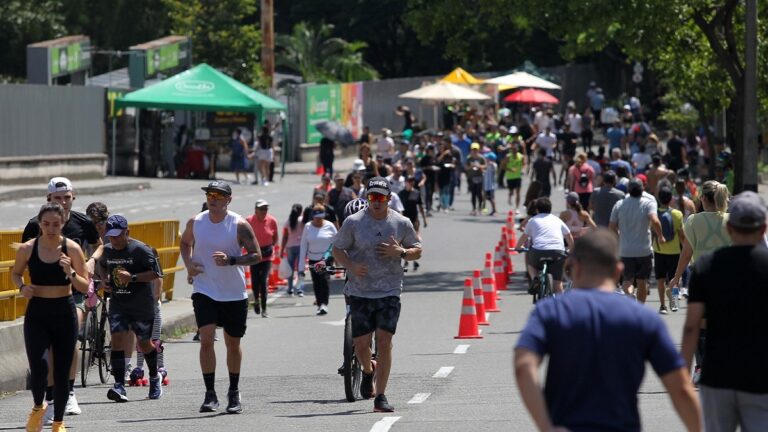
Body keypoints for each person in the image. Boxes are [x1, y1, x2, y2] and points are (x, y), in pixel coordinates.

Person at [515, 229, 702, 432]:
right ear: (618, 271)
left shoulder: (550, 311)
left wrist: (546, 426)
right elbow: (681, 388)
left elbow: (524, 366)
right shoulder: (643, 318)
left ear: (574, 268)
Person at [332, 177, 423, 413]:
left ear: (389, 199)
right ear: (366, 198)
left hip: (389, 290)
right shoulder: (353, 222)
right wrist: (350, 266)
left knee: (384, 342)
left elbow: (417, 251)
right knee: (361, 344)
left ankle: (380, 396)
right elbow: (338, 249)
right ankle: (367, 371)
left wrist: (401, 251)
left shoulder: (401, 223)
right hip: (360, 290)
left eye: (381, 198)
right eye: (372, 197)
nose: (376, 202)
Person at [681, 191, 768, 431]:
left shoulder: (706, 266)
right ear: (763, 229)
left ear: (730, 228)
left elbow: (691, 326)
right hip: (760, 376)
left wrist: (682, 376)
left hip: (717, 374)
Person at [21, 177, 101, 421]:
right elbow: (23, 256)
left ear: (72, 197)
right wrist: (23, 284)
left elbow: (100, 245)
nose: (63, 202)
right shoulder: (35, 225)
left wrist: (91, 261)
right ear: (49, 199)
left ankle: (70, 389)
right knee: (48, 350)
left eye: (67, 197)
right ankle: (52, 395)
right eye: (58, 198)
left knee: (70, 336)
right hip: (44, 295)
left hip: (74, 290)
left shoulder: (82, 222)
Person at [180, 180, 262, 414]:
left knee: (232, 344)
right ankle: (210, 394)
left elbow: (256, 255)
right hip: (205, 289)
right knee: (206, 339)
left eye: (218, 194)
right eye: (209, 194)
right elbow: (185, 243)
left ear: (228, 199)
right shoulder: (196, 222)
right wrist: (189, 266)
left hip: (234, 293)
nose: (212, 198)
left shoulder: (239, 224)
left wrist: (232, 260)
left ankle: (233, 392)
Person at [12, 203, 89, 432]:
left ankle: (58, 422)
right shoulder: (28, 248)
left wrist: (71, 272)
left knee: (61, 370)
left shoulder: (72, 248)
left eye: (56, 224)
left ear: (63, 223)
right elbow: (15, 273)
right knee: (39, 367)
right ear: (39, 223)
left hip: (64, 311)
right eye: (46, 224)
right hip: (37, 312)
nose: (51, 228)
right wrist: (21, 287)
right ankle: (38, 407)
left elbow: (84, 286)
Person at [95, 215, 163, 402]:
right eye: (111, 236)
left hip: (141, 304)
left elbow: (156, 273)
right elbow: (100, 264)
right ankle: (119, 386)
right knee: (117, 340)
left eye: (117, 235)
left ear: (127, 232)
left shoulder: (141, 250)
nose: (114, 240)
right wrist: (104, 280)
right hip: (119, 302)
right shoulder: (107, 250)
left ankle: (155, 377)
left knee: (144, 343)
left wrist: (132, 277)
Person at [669, 180, 730, 382]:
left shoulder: (693, 221)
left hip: (702, 279)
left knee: (700, 326)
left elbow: (686, 254)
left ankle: (701, 369)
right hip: (728, 279)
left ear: (703, 198)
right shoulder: (731, 220)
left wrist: (676, 278)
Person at [609, 179, 666, 303]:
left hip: (625, 251)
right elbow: (655, 221)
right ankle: (640, 309)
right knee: (642, 282)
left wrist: (618, 238)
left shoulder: (619, 204)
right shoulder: (648, 203)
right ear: (642, 189)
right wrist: (661, 236)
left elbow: (611, 227)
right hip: (644, 250)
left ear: (628, 190)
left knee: (626, 281)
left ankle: (629, 295)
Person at [515, 198, 574, 294]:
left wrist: (518, 247)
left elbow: (524, 236)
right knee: (558, 284)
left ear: (537, 210)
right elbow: (568, 235)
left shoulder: (533, 220)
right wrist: (571, 250)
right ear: (550, 208)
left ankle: (535, 279)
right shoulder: (557, 220)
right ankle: (562, 306)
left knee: (531, 264)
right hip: (557, 252)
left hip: (538, 251)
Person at [298, 205, 338, 315]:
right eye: (316, 218)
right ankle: (320, 304)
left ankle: (324, 304)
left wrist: (336, 258)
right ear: (313, 216)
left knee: (324, 280)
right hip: (313, 259)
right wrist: (301, 267)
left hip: (325, 258)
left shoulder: (330, 226)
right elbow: (303, 246)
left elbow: (337, 242)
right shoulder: (307, 227)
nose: (318, 220)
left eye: (320, 217)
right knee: (316, 282)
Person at [653, 186, 684, 314]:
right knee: (675, 279)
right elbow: (681, 235)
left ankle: (662, 306)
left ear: (659, 199)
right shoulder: (677, 214)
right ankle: (674, 302)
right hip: (674, 251)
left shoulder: (654, 214)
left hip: (659, 250)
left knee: (660, 279)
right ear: (671, 198)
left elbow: (652, 232)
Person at [246, 199, 278, 318]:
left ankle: (264, 309)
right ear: (256, 210)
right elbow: (244, 237)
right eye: (261, 209)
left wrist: (270, 247)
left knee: (263, 281)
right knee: (255, 282)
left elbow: (275, 237)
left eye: (265, 209)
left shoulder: (272, 220)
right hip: (254, 254)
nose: (264, 211)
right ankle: (256, 301)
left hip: (267, 255)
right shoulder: (249, 220)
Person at [398, 177, 427, 271]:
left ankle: (415, 261)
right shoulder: (401, 194)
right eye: (409, 181)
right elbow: (399, 208)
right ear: (406, 182)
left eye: (412, 181)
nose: (410, 183)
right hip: (404, 221)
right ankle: (405, 261)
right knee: (404, 241)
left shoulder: (416, 193)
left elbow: (420, 206)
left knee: (416, 240)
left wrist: (424, 219)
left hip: (414, 221)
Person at [280, 204, 305, 296]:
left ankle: (290, 288)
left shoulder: (288, 221)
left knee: (290, 269)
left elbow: (285, 236)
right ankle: (299, 289)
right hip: (300, 247)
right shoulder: (302, 220)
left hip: (290, 247)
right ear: (301, 211)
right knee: (300, 269)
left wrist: (282, 249)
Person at [501, 142, 525, 212]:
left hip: (518, 177)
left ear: (517, 149)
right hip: (510, 177)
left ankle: (517, 208)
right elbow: (503, 166)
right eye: (513, 149)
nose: (514, 150)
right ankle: (510, 196)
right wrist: (510, 169)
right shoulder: (508, 157)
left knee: (518, 192)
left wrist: (523, 170)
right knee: (511, 192)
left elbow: (524, 164)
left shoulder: (521, 156)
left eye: (515, 149)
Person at [465, 143, 486, 216]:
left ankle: (480, 208)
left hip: (479, 177)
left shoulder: (481, 158)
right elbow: (466, 168)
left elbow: (485, 166)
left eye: (476, 149)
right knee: (473, 193)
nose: (474, 151)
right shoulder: (469, 158)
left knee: (479, 193)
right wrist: (471, 166)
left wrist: (479, 166)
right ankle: (474, 208)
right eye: (473, 149)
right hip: (471, 177)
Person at [255, 121, 274, 186]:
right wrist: (273, 154)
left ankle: (263, 177)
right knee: (267, 167)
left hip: (263, 151)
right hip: (269, 151)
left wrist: (255, 151)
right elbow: (272, 146)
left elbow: (258, 145)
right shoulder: (270, 137)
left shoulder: (260, 137)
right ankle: (266, 179)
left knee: (260, 166)